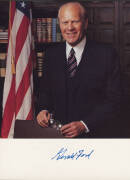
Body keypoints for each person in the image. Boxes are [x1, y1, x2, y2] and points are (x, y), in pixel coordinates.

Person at [36, 2, 121, 138]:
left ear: (85, 23)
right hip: (57, 137)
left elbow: (115, 100)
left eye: (75, 21)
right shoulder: (51, 55)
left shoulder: (106, 55)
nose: (70, 28)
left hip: (94, 137)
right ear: (59, 24)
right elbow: (45, 92)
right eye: (65, 22)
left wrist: (85, 125)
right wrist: (43, 109)